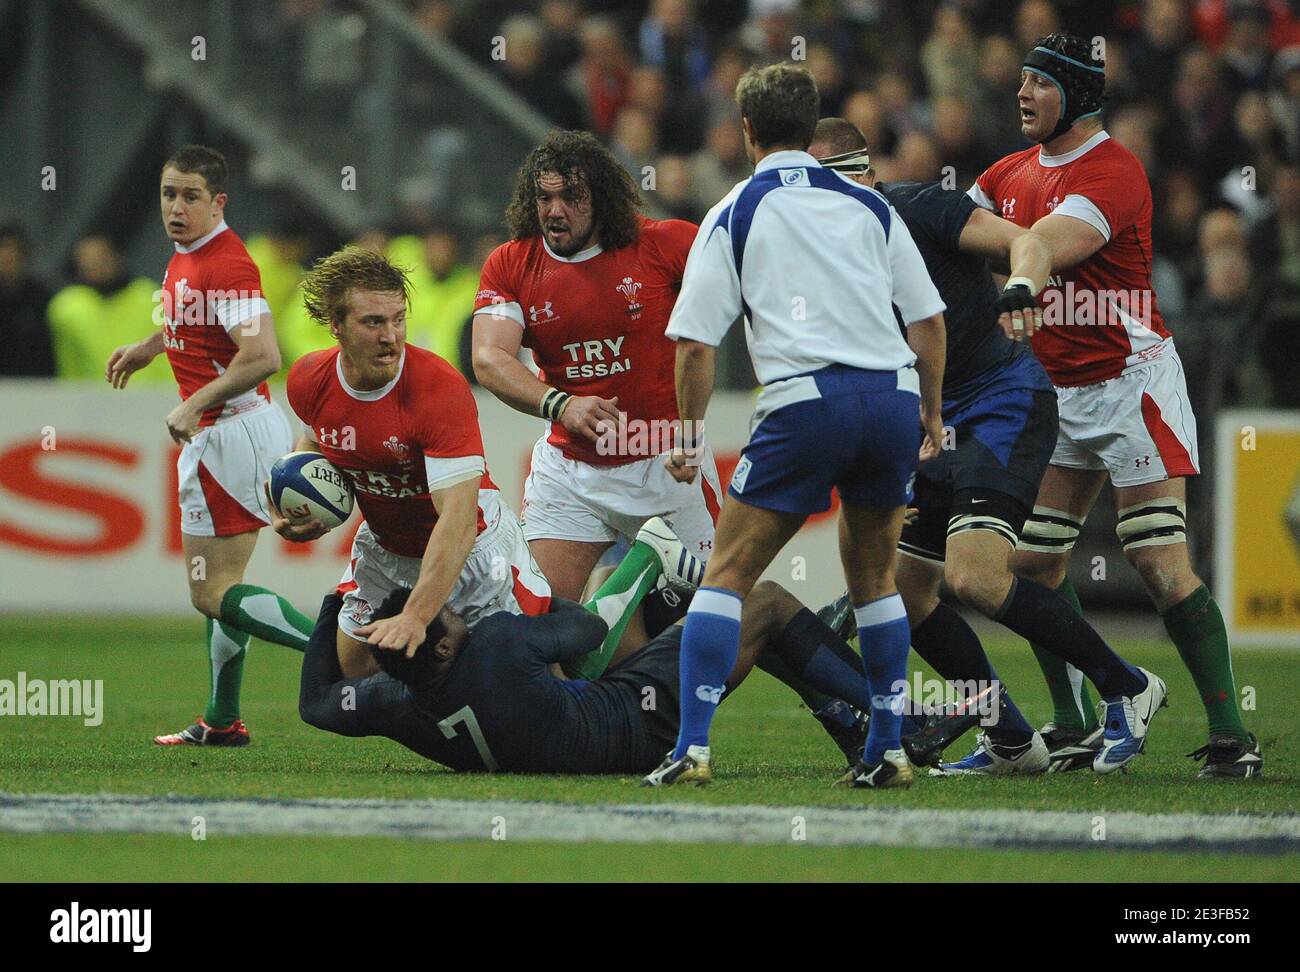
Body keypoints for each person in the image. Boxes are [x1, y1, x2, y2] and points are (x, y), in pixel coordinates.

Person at [810, 117, 1167, 776]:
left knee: (972, 576)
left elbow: (1026, 241)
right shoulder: (828, 262)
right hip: (931, 421)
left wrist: (1022, 286)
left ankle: (1130, 685)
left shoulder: (919, 208)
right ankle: (1008, 736)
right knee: (901, 588)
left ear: (865, 176)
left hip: (1003, 401)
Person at [649, 64, 947, 789]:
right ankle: (888, 752)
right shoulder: (867, 205)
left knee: (728, 573)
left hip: (807, 402)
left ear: (747, 129)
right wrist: (931, 414)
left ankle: (691, 748)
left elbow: (693, 344)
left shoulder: (735, 210)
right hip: (889, 398)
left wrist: (689, 435)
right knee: (876, 578)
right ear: (811, 125)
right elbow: (930, 321)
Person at [973, 33, 1259, 779]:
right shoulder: (1006, 171)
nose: (1022, 93)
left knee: (1158, 562)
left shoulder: (1115, 171)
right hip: (1056, 390)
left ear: (1077, 94)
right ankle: (1071, 722)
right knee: (1033, 563)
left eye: (1039, 82)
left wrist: (1010, 281)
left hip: (1131, 383)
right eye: (1022, 80)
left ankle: (1232, 735)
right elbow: (946, 233)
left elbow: (1046, 245)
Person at [300, 523, 892, 775]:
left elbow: (316, 701)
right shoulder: (496, 643)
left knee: (709, 619)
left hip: (594, 730)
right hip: (638, 721)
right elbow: (585, 632)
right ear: (444, 651)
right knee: (762, 602)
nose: (458, 614)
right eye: (448, 618)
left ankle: (844, 707)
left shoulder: (392, 703)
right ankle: (896, 716)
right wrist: (533, 602)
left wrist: (335, 601)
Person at [105, 145, 316, 746]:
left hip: (230, 432)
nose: (176, 206)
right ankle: (222, 719)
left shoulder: (226, 263)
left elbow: (263, 356)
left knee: (210, 590)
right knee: (221, 584)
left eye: (190, 196)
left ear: (218, 201)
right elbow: (198, 319)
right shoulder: (189, 257)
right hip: (232, 431)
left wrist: (195, 401)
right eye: (169, 193)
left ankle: (335, 650)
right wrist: (153, 345)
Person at [275, 246, 552, 679]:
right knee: (355, 670)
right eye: (372, 322)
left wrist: (416, 616)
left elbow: (457, 522)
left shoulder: (436, 390)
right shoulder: (309, 379)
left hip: (474, 549)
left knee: (530, 677)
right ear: (337, 325)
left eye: (398, 319)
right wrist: (302, 499)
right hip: (386, 550)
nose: (391, 336)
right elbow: (316, 439)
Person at [471, 130, 722, 603]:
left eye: (571, 197)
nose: (555, 211)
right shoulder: (511, 264)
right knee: (541, 618)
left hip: (668, 464)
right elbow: (489, 357)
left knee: (719, 618)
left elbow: (736, 311)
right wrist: (560, 405)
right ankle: (608, 631)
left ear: (601, 198)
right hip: (572, 471)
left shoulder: (667, 245)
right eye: (544, 198)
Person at [0, 223, 55, 377]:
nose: (7, 255)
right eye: (3, 248)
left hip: (34, 388)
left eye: (13, 249)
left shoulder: (41, 297)